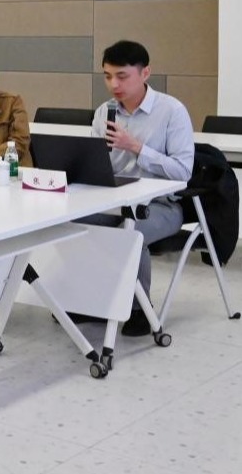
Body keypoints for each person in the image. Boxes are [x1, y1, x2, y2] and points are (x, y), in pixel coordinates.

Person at [91, 40, 194, 336]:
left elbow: (183, 171)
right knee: (74, 224)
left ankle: (139, 310)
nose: (114, 85)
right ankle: (89, 301)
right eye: (108, 76)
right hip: (113, 199)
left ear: (145, 73)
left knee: (131, 231)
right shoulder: (105, 112)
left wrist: (136, 147)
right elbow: (96, 162)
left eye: (122, 76)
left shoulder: (172, 111)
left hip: (161, 205)